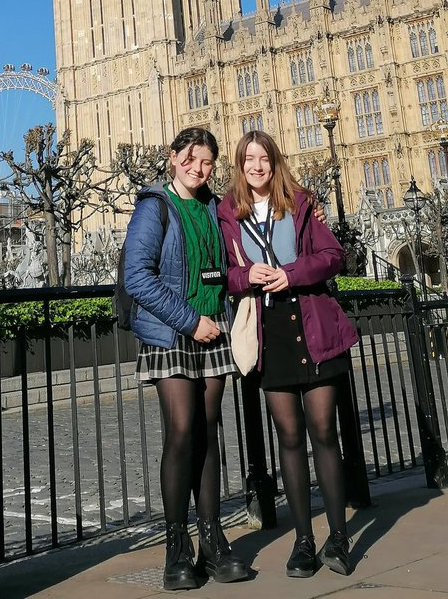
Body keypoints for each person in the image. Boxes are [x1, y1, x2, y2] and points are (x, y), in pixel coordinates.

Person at [218, 131, 359, 579]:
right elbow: (222, 273)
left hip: (314, 324)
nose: (255, 166)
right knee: (290, 439)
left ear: (274, 163)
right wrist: (246, 276)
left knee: (323, 432)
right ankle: (303, 540)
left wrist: (292, 273)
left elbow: (333, 256)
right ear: (239, 167)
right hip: (270, 332)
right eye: (247, 160)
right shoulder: (227, 213)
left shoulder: (299, 203)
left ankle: (338, 538)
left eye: (263, 158)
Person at [123, 127, 250, 591]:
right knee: (181, 432)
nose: (200, 169)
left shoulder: (215, 209)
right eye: (192, 160)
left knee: (208, 432)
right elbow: (137, 276)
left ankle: (212, 541)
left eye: (208, 162)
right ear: (173, 158)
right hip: (173, 334)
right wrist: (188, 320)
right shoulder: (155, 206)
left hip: (213, 329)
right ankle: (176, 547)